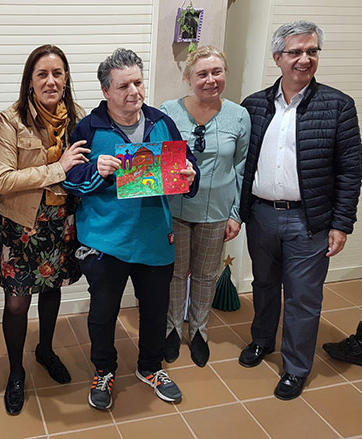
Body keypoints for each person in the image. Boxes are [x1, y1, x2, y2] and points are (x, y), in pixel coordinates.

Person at [63, 48, 199, 410]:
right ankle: (104, 370)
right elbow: (71, 181)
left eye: (138, 82)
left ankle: (150, 367)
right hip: (106, 241)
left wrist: (191, 175)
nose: (134, 91)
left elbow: (188, 170)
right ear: (106, 90)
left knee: (155, 309)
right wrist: (97, 172)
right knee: (103, 313)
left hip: (154, 238)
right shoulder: (89, 128)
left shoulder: (161, 122)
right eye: (124, 85)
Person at [237, 20, 362, 400]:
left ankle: (295, 367)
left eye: (312, 51)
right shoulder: (254, 105)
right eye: (295, 52)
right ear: (278, 58)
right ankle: (262, 341)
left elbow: (350, 170)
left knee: (303, 297)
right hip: (261, 215)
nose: (304, 59)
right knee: (263, 285)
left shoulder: (338, 105)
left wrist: (342, 223)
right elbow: (242, 163)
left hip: (310, 221)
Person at [0, 45, 90, 415]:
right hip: (22, 225)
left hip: (62, 221)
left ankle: (45, 350)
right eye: (42, 74)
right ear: (29, 82)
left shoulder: (80, 117)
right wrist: (58, 169)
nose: (51, 81)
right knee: (17, 302)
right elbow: (3, 180)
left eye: (58, 73)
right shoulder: (10, 120)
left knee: (52, 290)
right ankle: (16, 372)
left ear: (66, 79)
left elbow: (93, 167)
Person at [159, 46, 250, 367]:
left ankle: (198, 331)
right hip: (177, 211)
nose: (211, 80)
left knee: (205, 276)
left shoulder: (239, 116)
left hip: (217, 214)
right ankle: (171, 328)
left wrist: (236, 214)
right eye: (202, 74)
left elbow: (241, 169)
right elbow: (157, 161)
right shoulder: (168, 111)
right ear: (188, 78)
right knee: (174, 274)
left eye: (217, 72)